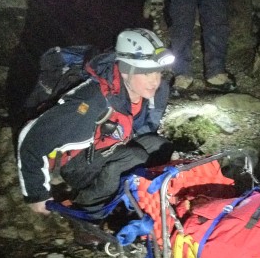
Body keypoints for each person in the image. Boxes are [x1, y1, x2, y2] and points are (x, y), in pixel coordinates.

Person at [18, 28, 175, 216]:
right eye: (146, 74)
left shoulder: (151, 93)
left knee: (160, 146)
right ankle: (85, 211)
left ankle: (132, 201)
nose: (154, 81)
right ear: (126, 72)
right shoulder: (93, 100)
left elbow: (141, 129)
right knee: (134, 158)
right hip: (77, 164)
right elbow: (31, 138)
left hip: (113, 145)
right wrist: (36, 194)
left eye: (157, 73)